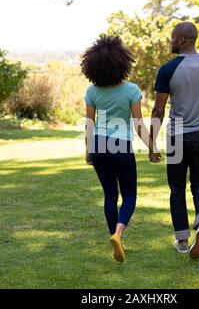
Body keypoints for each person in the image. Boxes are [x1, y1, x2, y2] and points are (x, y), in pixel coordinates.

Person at [149, 22, 199, 259]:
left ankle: (182, 240)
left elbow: (158, 110)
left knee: (177, 187)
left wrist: (152, 142)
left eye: (172, 37)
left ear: (181, 40)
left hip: (178, 134)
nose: (170, 41)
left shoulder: (168, 69)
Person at [81, 35, 158, 263]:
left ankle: (116, 240)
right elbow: (138, 124)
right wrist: (152, 147)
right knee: (130, 195)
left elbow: (89, 124)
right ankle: (119, 233)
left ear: (94, 65)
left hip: (98, 145)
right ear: (122, 63)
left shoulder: (92, 91)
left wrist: (88, 150)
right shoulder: (131, 90)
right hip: (121, 146)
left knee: (109, 196)